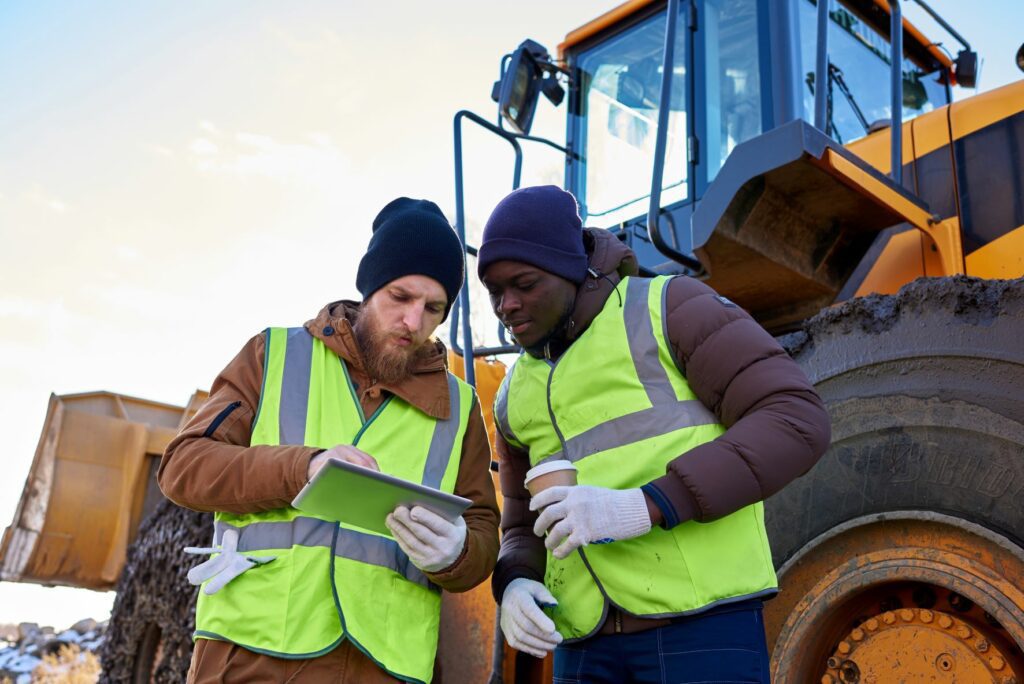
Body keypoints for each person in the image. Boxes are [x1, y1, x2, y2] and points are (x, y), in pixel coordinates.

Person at [478, 185, 831, 683]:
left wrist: (645, 505)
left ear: (572, 268)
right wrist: (513, 581)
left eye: (525, 283)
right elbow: (520, 525)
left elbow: (795, 419)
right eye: (494, 291)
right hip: (583, 652)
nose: (507, 305)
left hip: (701, 632)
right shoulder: (511, 394)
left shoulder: (670, 307)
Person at [159, 197, 499, 684]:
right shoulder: (273, 354)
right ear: (369, 289)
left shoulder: (461, 408)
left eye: (433, 308)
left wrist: (459, 555)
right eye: (399, 298)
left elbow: (484, 531)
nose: (413, 321)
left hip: (382, 667)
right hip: (251, 656)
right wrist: (304, 467)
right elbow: (183, 467)